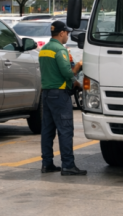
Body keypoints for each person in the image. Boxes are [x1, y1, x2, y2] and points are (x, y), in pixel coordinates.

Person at [39, 20, 85, 176]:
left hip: (46, 94)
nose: (68, 36)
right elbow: (67, 73)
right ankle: (68, 165)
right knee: (65, 130)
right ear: (61, 33)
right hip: (59, 94)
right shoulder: (60, 50)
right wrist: (78, 70)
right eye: (67, 33)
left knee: (47, 131)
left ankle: (47, 164)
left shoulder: (44, 50)